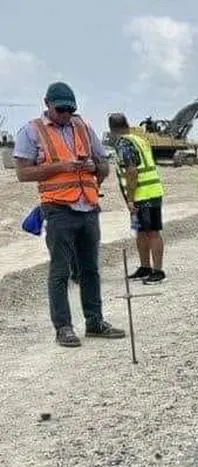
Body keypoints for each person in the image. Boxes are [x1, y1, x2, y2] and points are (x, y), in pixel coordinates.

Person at [12, 82, 126, 347]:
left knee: (90, 269)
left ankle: (95, 322)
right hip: (58, 208)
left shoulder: (83, 127)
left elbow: (104, 165)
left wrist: (94, 165)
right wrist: (61, 167)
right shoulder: (32, 131)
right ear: (47, 104)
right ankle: (63, 327)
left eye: (70, 109)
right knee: (61, 271)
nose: (65, 114)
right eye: (60, 109)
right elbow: (23, 173)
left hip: (88, 206)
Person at [109, 113, 166, 284]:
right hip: (149, 192)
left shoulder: (123, 143)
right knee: (141, 231)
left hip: (145, 194)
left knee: (152, 232)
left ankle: (157, 271)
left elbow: (132, 171)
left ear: (112, 129)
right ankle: (145, 267)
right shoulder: (138, 139)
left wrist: (131, 199)